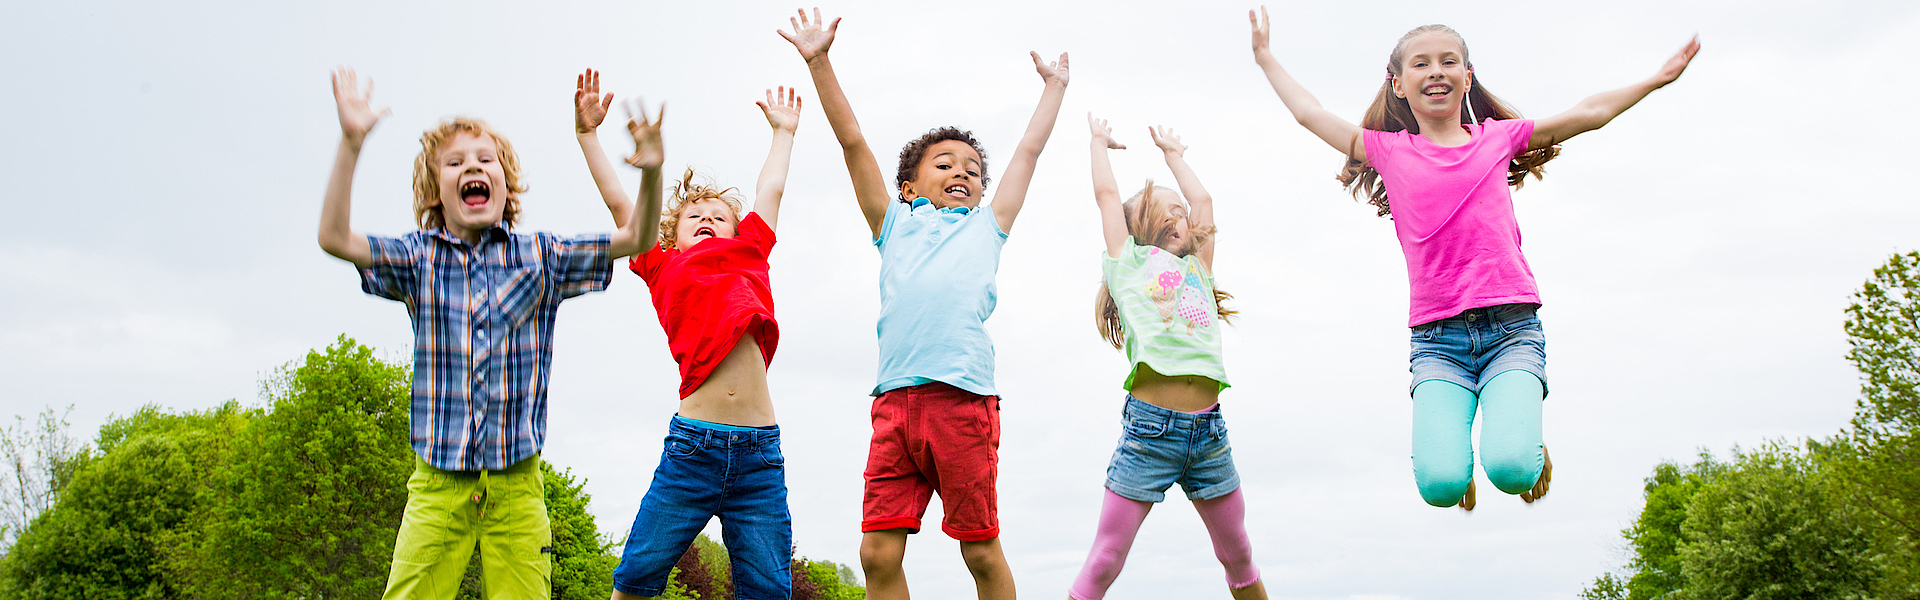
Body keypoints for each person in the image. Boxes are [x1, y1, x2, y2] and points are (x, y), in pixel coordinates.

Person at [1247, 7, 1700, 509]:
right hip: (1439, 341)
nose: (1435, 70)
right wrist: (1266, 58)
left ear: (1467, 77)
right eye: (1420, 64)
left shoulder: (1497, 139)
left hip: (1511, 328)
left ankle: (1527, 440)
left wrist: (1656, 80)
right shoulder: (1387, 151)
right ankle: (1459, 458)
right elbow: (1310, 113)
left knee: (1511, 470)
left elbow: (1586, 114)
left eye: (1448, 61)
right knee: (1440, 487)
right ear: (1397, 84)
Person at [317, 67, 657, 598]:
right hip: (436, 485)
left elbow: (636, 238)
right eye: (454, 162)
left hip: (517, 488)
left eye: (485, 159)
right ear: (436, 190)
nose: (472, 166)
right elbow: (334, 238)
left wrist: (651, 173)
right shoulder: (417, 258)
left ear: (505, 181)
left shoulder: (541, 256)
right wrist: (351, 142)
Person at [778, 8, 1068, 599]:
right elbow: (852, 141)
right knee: (876, 552)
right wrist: (819, 62)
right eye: (945, 164)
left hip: (961, 402)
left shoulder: (988, 227)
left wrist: (1054, 89)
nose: (963, 172)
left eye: (974, 170)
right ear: (909, 187)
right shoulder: (893, 223)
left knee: (979, 549)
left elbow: (1029, 154)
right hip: (893, 406)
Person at [597, 82, 804, 600]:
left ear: (739, 232)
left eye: (719, 217)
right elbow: (622, 206)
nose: (708, 220)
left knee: (768, 589)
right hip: (693, 448)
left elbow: (770, 192)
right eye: (695, 217)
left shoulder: (750, 252)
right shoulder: (662, 263)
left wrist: (783, 133)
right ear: (670, 235)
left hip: (760, 455)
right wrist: (588, 137)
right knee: (636, 575)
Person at [1070, 116, 1266, 600]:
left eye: (1180, 214)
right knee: (1107, 558)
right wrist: (1097, 143)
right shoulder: (1129, 264)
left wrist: (1173, 156)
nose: (1180, 219)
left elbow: (1203, 203)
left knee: (1237, 553)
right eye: (1166, 213)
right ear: (1139, 228)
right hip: (1149, 435)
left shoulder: (1199, 269)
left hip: (1209, 435)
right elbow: (1107, 198)